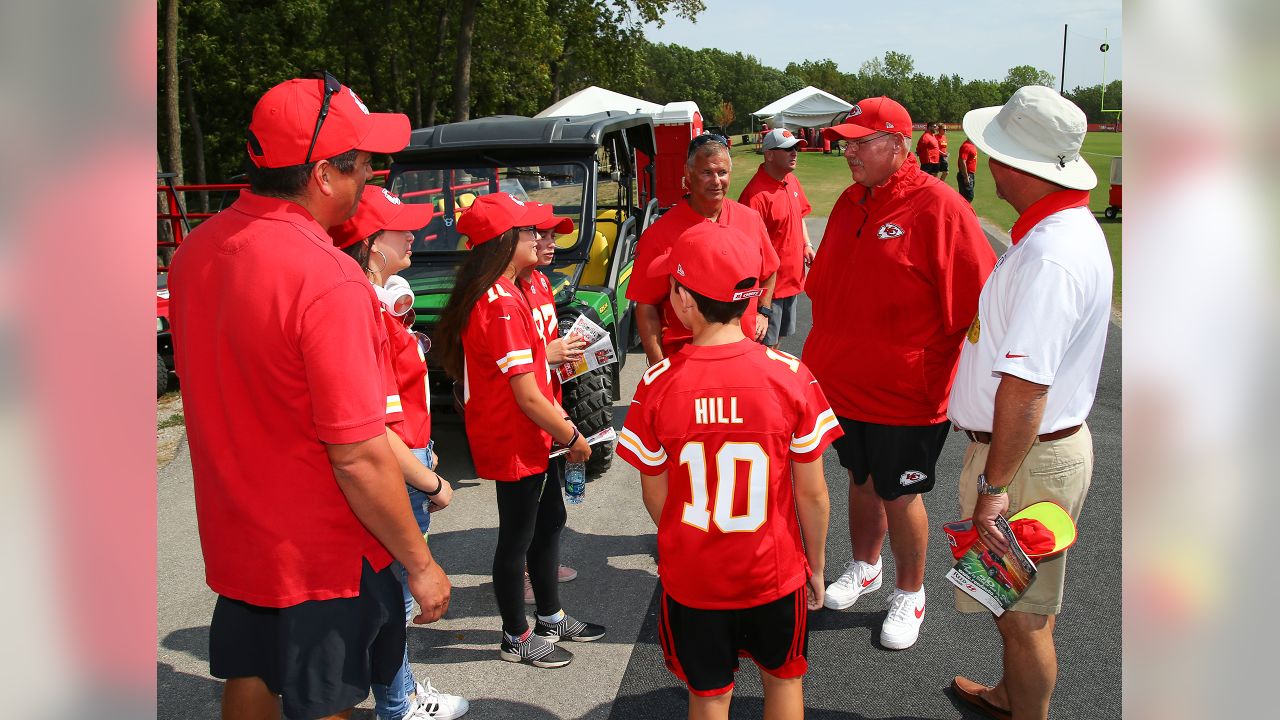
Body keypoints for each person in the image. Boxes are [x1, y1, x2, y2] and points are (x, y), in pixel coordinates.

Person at [168, 74, 451, 720]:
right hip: (317, 556)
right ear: (323, 175)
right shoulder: (326, 277)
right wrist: (421, 561)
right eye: (365, 165)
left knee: (251, 677)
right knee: (325, 700)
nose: (372, 176)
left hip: (239, 539)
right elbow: (357, 452)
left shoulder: (194, 254)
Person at [617, 222, 841, 720]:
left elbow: (658, 494)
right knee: (783, 683)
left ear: (685, 301)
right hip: (774, 570)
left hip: (696, 576)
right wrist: (817, 567)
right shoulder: (789, 377)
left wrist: (685, 540)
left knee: (710, 694)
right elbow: (814, 494)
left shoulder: (657, 384)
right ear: (750, 296)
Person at [947, 86, 1112, 720]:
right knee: (1014, 604)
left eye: (995, 153)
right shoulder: (1062, 232)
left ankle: (1027, 710)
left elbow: (1025, 389)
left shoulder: (1051, 255)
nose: (986, 163)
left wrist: (993, 486)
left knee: (1025, 618)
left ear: (1018, 165)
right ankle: (1011, 696)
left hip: (1025, 460)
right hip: (1030, 454)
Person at [806, 96, 995, 650]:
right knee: (861, 481)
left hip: (908, 392)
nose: (849, 152)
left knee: (900, 493)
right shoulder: (849, 201)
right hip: (844, 384)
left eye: (862, 142)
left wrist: (972, 393)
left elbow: (976, 307)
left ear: (899, 144)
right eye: (847, 142)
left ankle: (911, 591)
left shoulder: (938, 207)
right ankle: (867, 566)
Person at [434, 192, 606, 669]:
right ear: (503, 241)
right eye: (530, 231)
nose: (539, 237)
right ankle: (515, 635)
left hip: (535, 432)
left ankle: (549, 615)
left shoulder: (515, 290)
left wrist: (561, 427)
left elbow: (538, 380)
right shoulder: (501, 302)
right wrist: (573, 439)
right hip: (515, 436)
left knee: (549, 521)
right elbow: (526, 393)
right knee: (517, 537)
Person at [330, 186, 469, 720]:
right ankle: (398, 699)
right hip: (398, 468)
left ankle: (400, 691)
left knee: (392, 598)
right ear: (370, 243)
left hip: (410, 457)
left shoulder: (381, 302)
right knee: (397, 597)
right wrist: (429, 480)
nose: (415, 234)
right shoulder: (366, 312)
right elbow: (377, 430)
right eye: (400, 228)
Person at [626, 134, 779, 364]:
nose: (716, 181)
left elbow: (770, 270)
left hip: (742, 355)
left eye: (722, 173)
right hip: (685, 361)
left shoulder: (750, 220)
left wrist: (763, 312)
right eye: (707, 172)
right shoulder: (659, 234)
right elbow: (646, 306)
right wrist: (659, 368)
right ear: (688, 175)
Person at [518, 206, 587, 603]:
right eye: (541, 235)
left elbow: (545, 345)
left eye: (552, 236)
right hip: (530, 413)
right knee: (528, 514)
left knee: (552, 507)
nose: (550, 243)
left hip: (550, 405)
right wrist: (548, 353)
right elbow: (509, 364)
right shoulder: (507, 292)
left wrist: (577, 349)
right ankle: (529, 573)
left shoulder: (542, 283)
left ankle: (542, 563)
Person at [737, 128, 815, 349]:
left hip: (792, 281)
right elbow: (748, 250)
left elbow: (799, 215)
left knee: (778, 340)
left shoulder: (791, 180)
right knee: (763, 346)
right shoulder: (755, 196)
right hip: (770, 290)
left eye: (796, 148)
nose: (794, 153)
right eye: (787, 149)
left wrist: (806, 244)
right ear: (769, 154)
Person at [957, 138, 979, 203]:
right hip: (966, 175)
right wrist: (966, 177)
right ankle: (962, 211)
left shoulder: (972, 145)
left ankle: (962, 211)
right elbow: (962, 161)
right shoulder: (966, 146)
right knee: (968, 197)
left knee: (966, 197)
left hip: (970, 175)